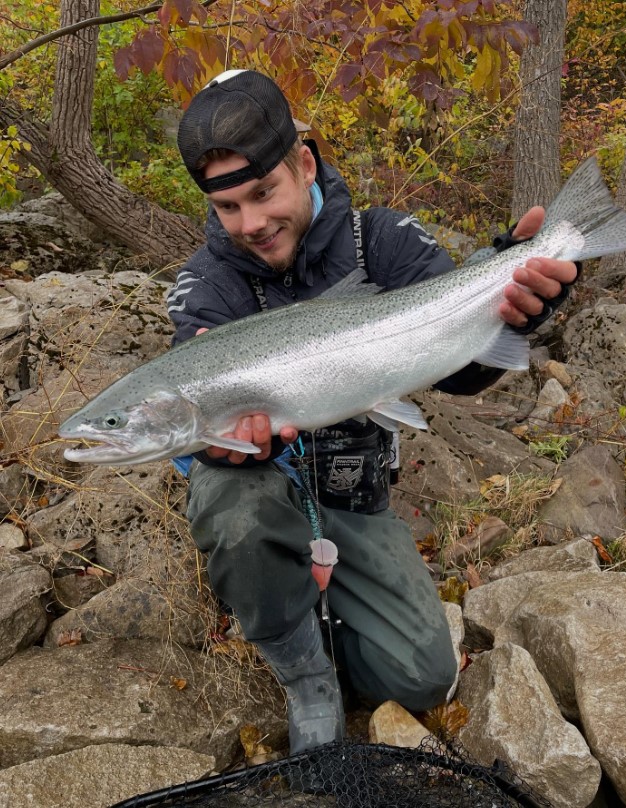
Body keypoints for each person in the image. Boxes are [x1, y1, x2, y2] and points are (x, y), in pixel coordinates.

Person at [169, 69, 578, 755]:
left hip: (356, 505)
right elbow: (189, 411)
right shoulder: (205, 285)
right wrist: (219, 442)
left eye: (263, 193)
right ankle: (305, 677)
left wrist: (514, 307)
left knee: (422, 676)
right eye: (228, 207)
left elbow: (462, 375)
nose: (251, 224)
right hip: (267, 498)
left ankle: (309, 621)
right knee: (230, 498)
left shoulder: (384, 240)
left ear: (304, 165)